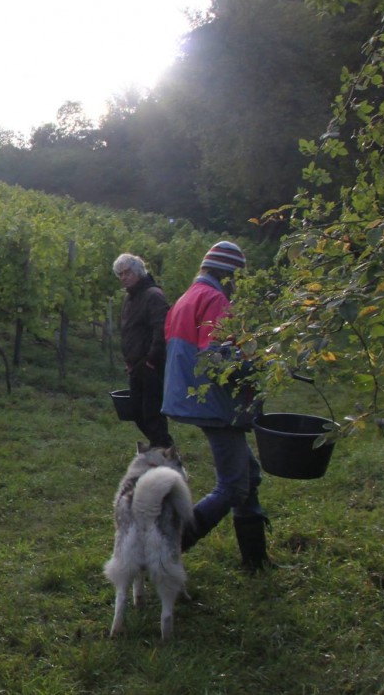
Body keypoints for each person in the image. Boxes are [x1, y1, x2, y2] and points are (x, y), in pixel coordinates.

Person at [163, 240, 270, 571]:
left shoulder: (187, 297)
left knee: (249, 474)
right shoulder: (215, 299)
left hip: (195, 398)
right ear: (227, 274)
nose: (237, 286)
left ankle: (255, 560)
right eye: (237, 278)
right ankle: (168, 548)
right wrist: (258, 363)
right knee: (233, 485)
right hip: (215, 403)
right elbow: (215, 357)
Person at [113, 253, 174, 448]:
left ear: (138, 272)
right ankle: (164, 450)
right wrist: (129, 359)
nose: (124, 277)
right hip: (136, 365)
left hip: (150, 366)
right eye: (120, 274)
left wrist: (152, 360)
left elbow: (162, 329)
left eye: (127, 272)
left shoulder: (153, 295)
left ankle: (166, 453)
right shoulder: (130, 297)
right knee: (138, 413)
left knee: (152, 415)